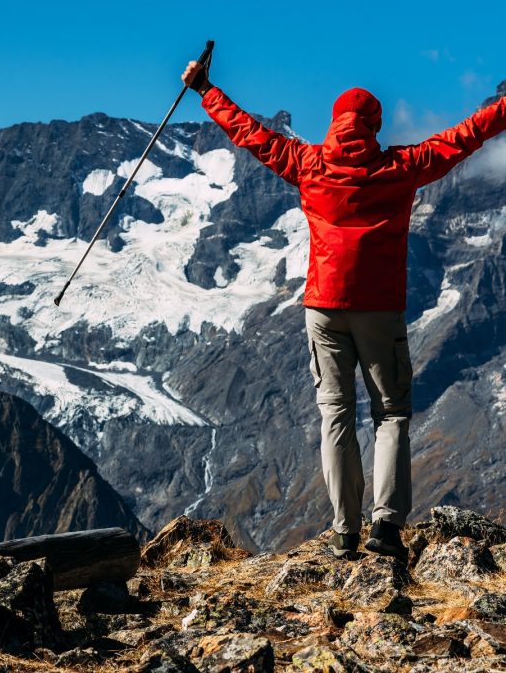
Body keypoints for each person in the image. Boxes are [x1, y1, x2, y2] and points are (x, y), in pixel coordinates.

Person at [182, 58, 506, 563]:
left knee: (334, 412)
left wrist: (205, 88)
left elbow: (250, 134)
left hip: (323, 307)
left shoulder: (308, 163)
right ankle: (387, 527)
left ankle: (343, 531)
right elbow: (464, 136)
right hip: (379, 309)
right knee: (391, 413)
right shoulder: (401, 167)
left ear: (334, 124)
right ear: (375, 127)